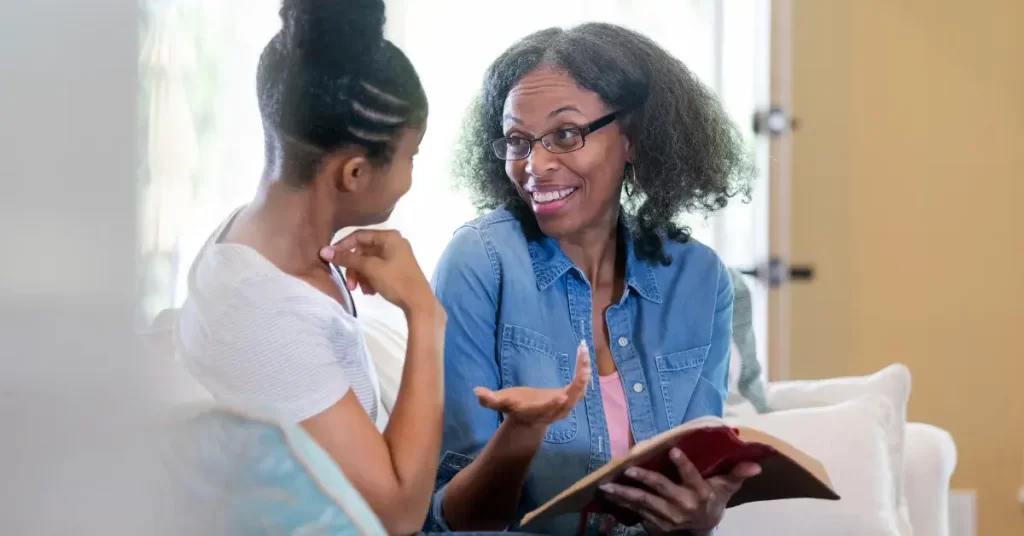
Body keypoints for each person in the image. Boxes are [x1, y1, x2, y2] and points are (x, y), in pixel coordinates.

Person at [428, 23, 759, 535]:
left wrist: (700, 516)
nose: (535, 166)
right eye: (519, 141)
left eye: (565, 134)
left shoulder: (699, 279)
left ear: (633, 137)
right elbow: (454, 522)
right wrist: (521, 434)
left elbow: (694, 477)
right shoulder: (480, 264)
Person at [173, 0, 445, 533]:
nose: (413, 173)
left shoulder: (246, 237)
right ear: (356, 172)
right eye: (412, 156)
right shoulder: (264, 319)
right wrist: (425, 314)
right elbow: (400, 514)